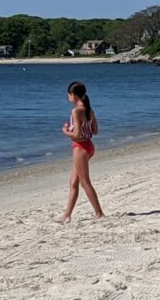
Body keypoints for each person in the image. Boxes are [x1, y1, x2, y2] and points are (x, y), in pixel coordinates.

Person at [55, 81, 105, 223]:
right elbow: (95, 131)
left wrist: (65, 130)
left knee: (85, 182)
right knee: (73, 182)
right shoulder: (89, 110)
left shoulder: (76, 111)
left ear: (74, 95)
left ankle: (99, 213)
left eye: (69, 95)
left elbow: (76, 134)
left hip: (80, 147)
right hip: (88, 146)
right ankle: (67, 215)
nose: (68, 97)